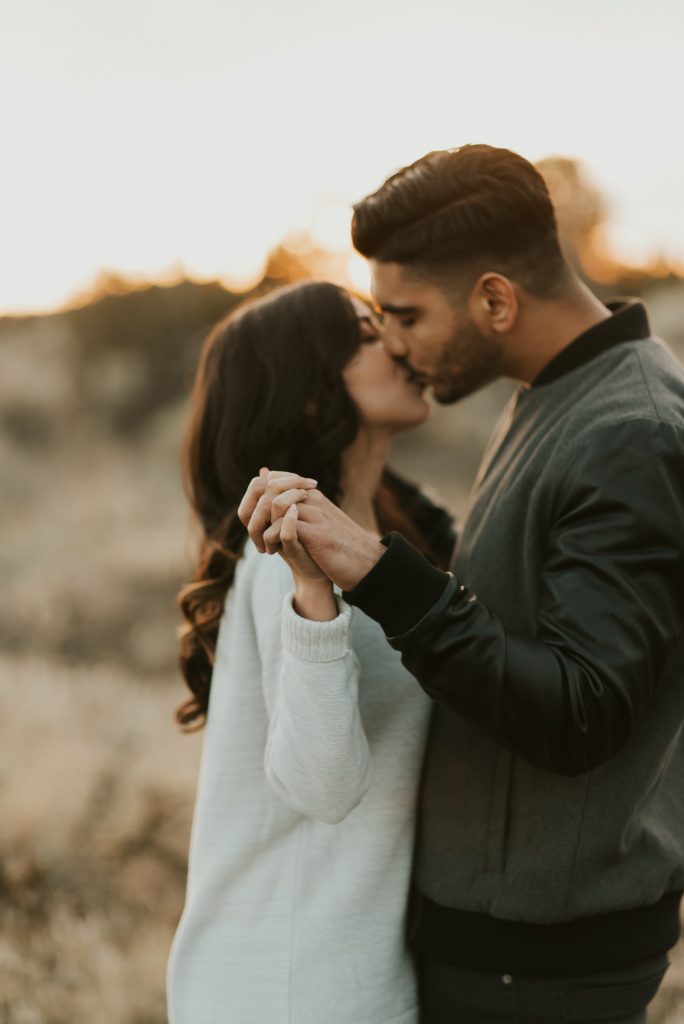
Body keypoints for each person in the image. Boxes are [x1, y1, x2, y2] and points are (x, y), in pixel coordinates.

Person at [241, 145, 684, 1023]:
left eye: (405, 316)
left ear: (494, 300)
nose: (395, 343)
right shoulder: (559, 389)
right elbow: (517, 584)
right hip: (501, 949)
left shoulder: (630, 428)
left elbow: (582, 710)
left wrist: (381, 574)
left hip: (540, 969)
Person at [166, 280, 456, 1024]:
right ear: (307, 391)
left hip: (347, 973)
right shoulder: (284, 558)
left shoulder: (381, 540)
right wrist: (313, 594)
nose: (397, 343)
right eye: (366, 333)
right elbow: (325, 789)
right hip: (288, 986)